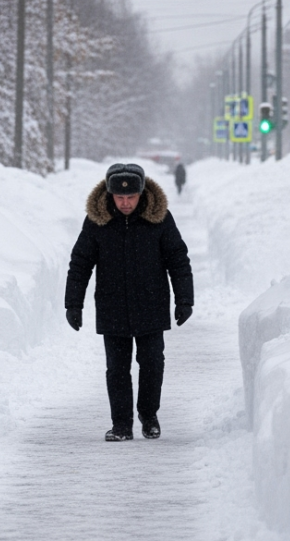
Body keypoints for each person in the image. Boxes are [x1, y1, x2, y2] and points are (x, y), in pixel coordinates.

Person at [65, 163, 194, 441]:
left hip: (151, 304)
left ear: (141, 194)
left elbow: (178, 260)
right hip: (112, 307)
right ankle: (122, 425)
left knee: (152, 363)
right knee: (117, 368)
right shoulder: (96, 221)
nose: (125, 203)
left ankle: (149, 416)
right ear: (110, 195)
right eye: (120, 197)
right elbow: (80, 263)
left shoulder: (159, 218)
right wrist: (73, 304)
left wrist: (184, 300)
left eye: (131, 197)